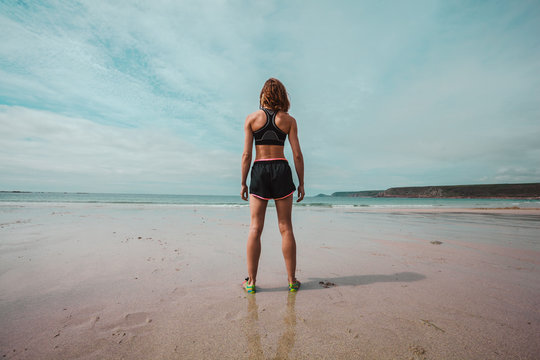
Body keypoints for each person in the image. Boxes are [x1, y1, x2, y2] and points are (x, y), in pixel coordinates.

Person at [241, 78, 305, 294]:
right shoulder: (289, 121)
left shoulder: (252, 119)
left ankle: (251, 283)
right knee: (285, 227)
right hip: (281, 170)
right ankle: (291, 281)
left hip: (259, 169)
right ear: (282, 95)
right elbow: (296, 154)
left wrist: (243, 182)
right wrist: (301, 182)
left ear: (263, 95)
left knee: (255, 228)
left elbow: (247, 154)